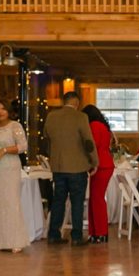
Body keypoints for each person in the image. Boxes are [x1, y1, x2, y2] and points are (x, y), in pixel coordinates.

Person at [43, 91, 98, 245]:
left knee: (58, 201)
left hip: (58, 166)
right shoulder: (81, 117)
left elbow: (47, 139)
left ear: (64, 101)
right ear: (76, 103)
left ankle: (54, 234)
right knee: (77, 202)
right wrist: (94, 162)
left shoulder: (51, 117)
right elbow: (88, 142)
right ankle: (76, 237)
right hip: (77, 167)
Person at [0, 100, 30, 252]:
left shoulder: (15, 126)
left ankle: (15, 241)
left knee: (10, 202)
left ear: (9, 111)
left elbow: (23, 146)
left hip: (9, 168)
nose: (0, 112)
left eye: (3, 109)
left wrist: (4, 150)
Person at [83, 104, 115, 244]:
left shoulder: (94, 125)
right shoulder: (103, 126)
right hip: (105, 164)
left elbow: (92, 145)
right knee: (96, 199)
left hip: (100, 165)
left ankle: (100, 233)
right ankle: (96, 232)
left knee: (97, 199)